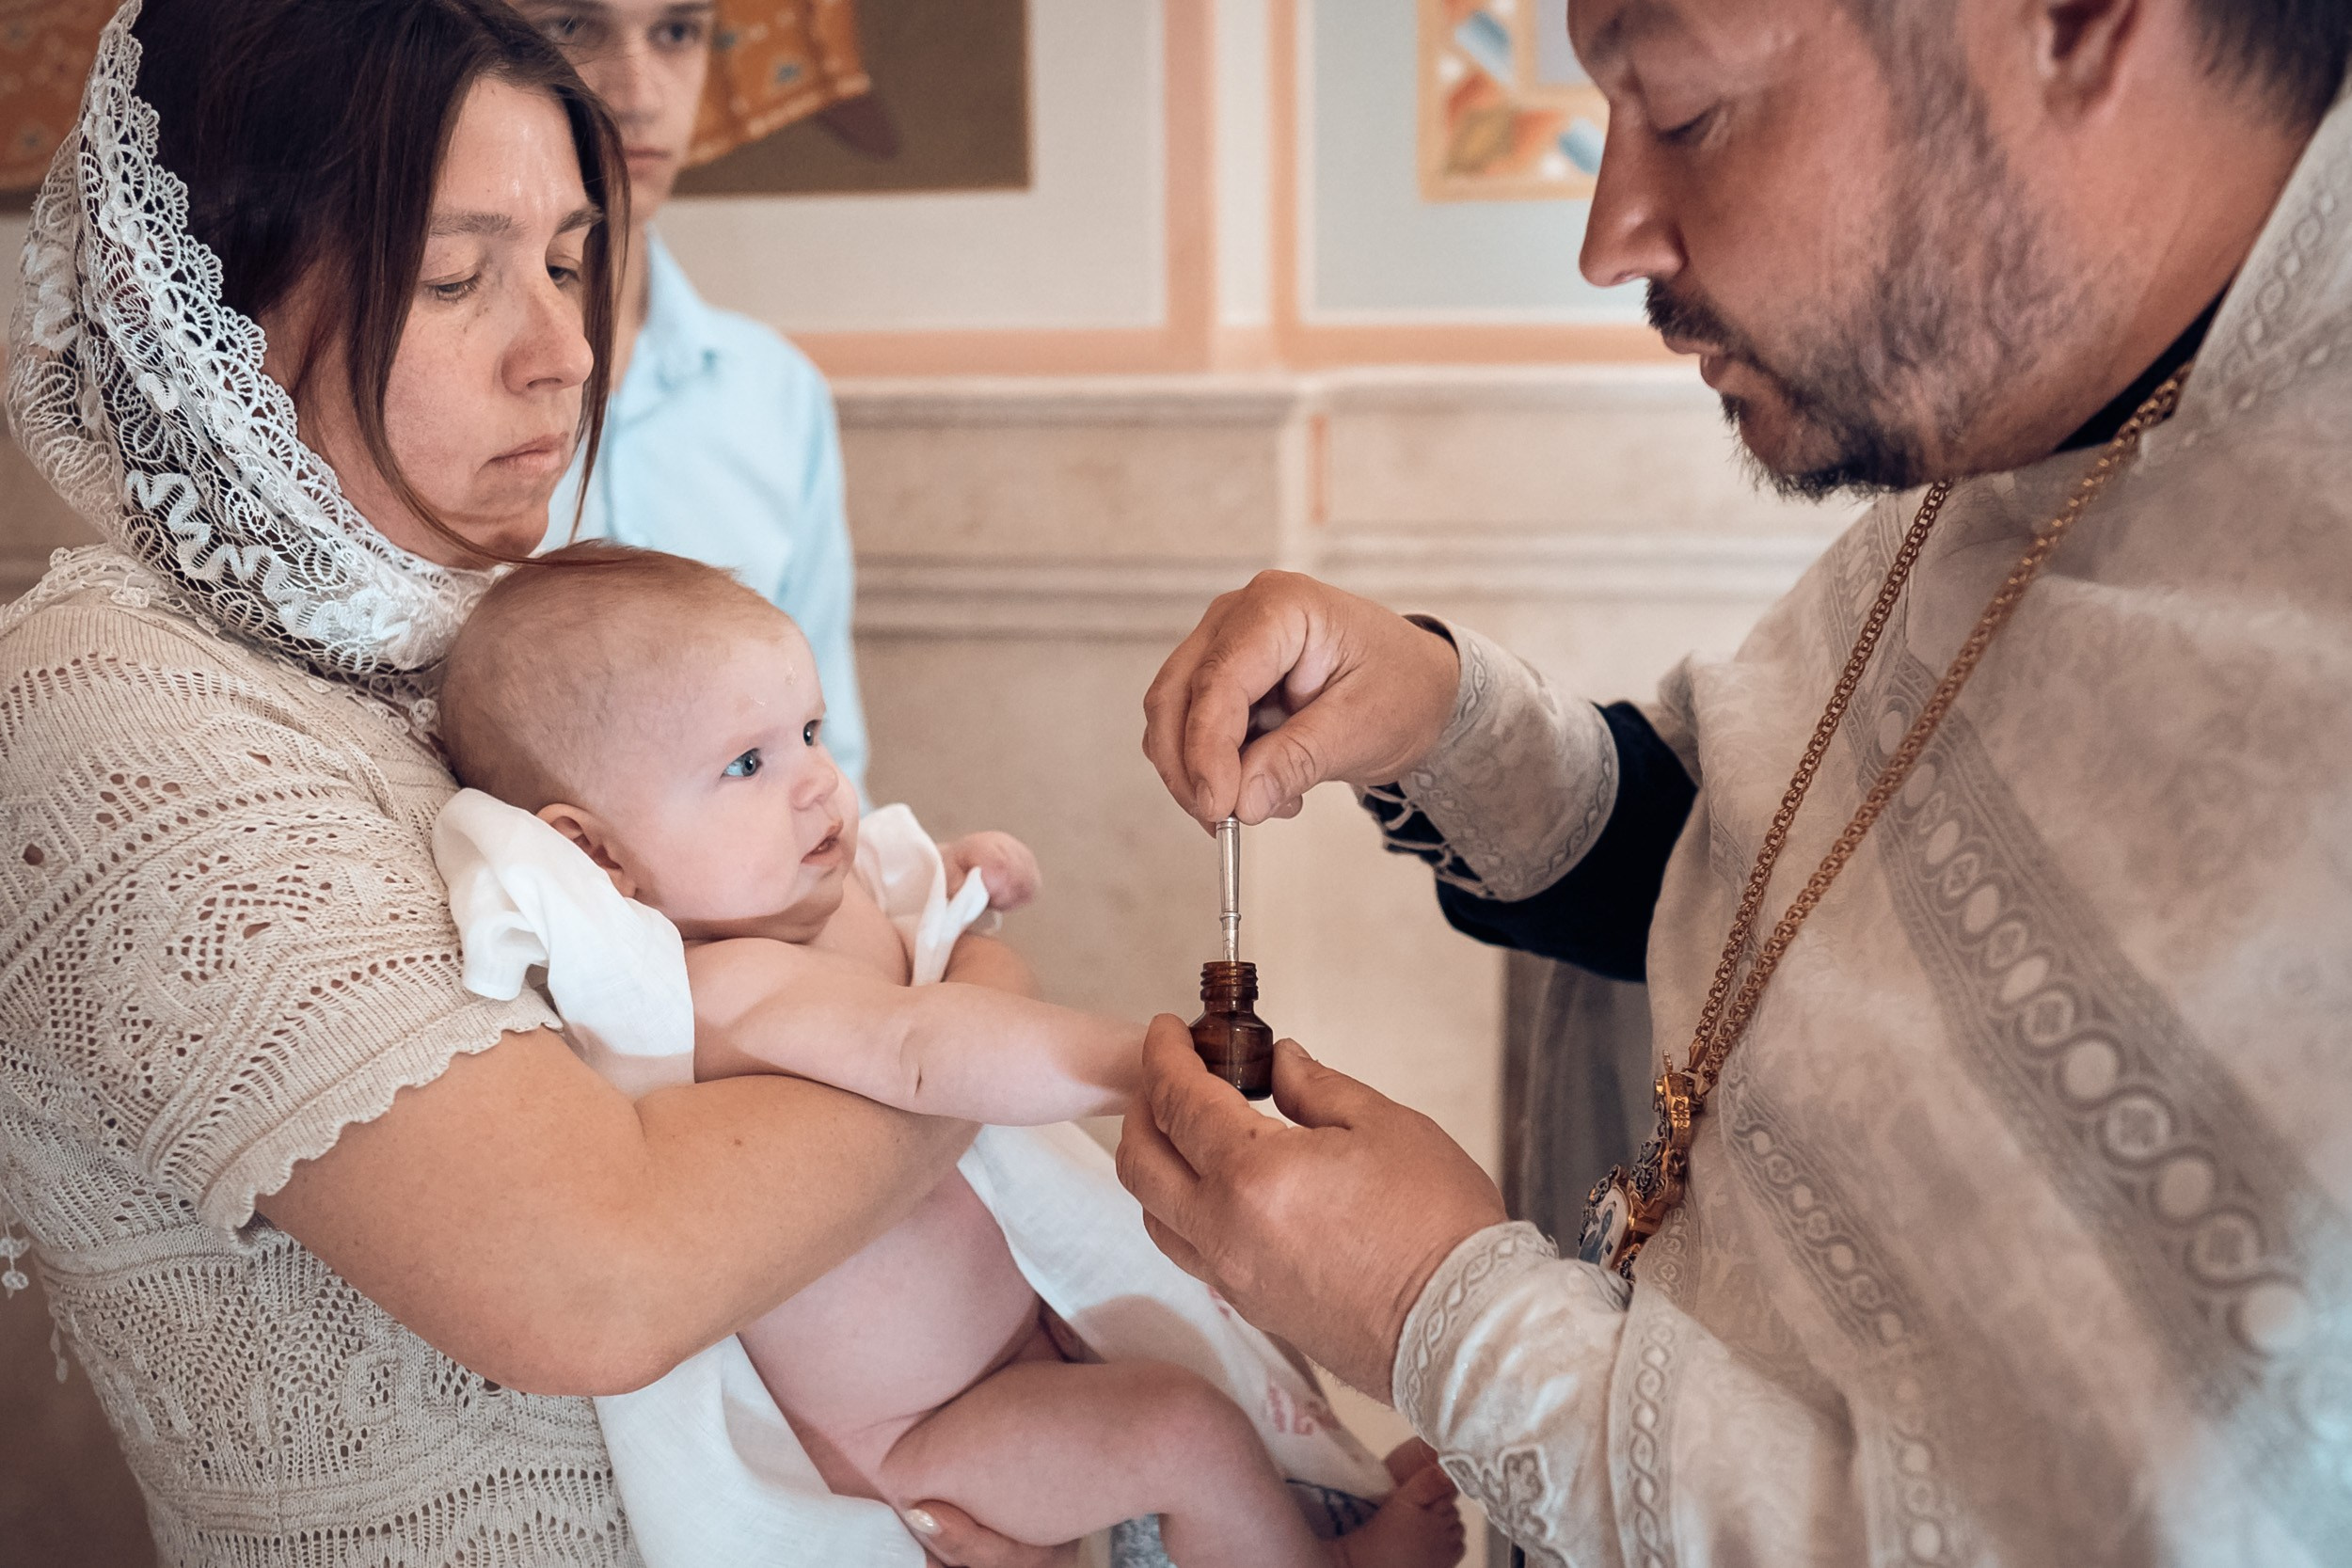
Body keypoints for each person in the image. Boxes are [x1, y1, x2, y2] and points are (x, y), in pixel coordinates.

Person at [1118, 1, 2352, 1564]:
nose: (1610, 235)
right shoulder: (2055, 411)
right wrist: (1435, 710)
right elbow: (1762, 861)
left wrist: (1444, 1316)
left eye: (1686, 111)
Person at [0, 2, 1047, 1562]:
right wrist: (964, 1033)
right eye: (453, 274)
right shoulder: (110, 706)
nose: (564, 354)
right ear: (210, 306)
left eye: (569, 261)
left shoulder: (483, 643)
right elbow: (597, 1275)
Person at [432, 543, 1467, 1568]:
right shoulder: (716, 988)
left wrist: (954, 874)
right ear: (598, 852)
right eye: (747, 764)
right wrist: (1142, 1063)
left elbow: (912, 937)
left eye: (807, 731)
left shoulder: (810, 906)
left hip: (1015, 1332)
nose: (816, 785)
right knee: (1179, 1432)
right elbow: (921, 1046)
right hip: (920, 1433)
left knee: (1225, 1335)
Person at [518, 0, 872, 791]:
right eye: (570, 26)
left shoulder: (775, 393)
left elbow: (829, 757)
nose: (639, 95)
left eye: (677, 32)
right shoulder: (412, 386)